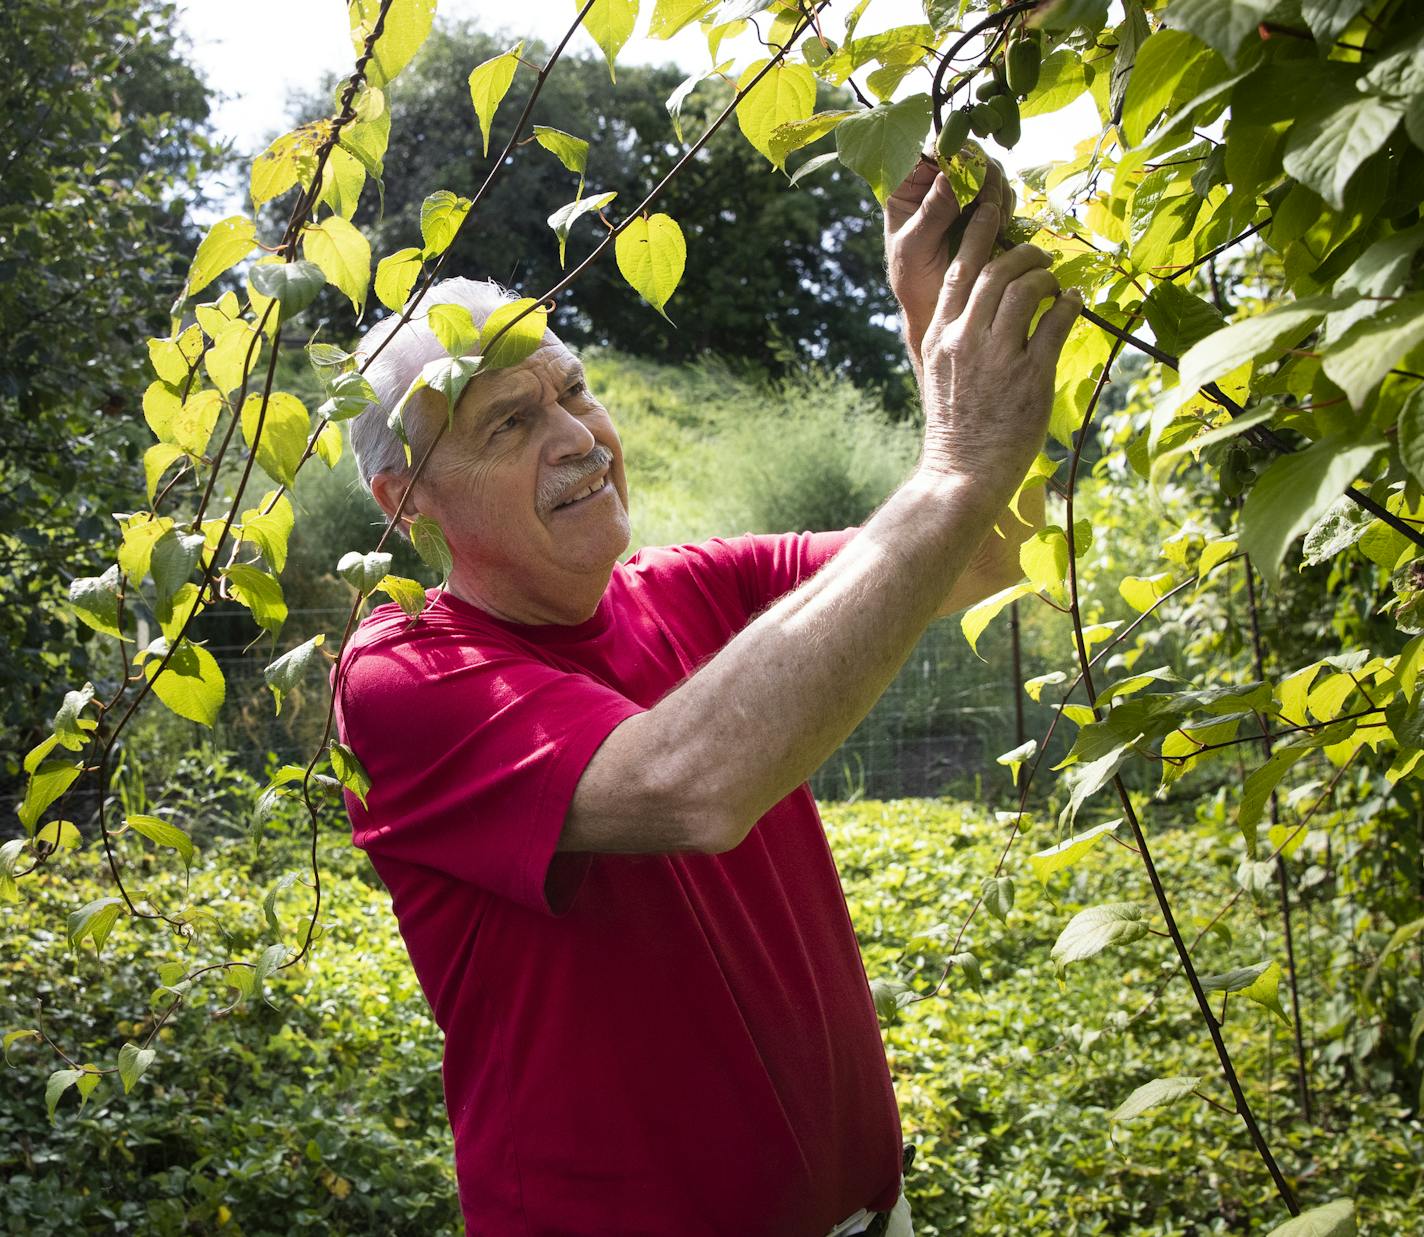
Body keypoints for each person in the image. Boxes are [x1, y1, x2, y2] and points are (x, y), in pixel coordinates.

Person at [335, 156, 1078, 1236]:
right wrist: (955, 465)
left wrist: (932, 336)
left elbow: (984, 562)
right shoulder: (403, 670)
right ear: (407, 502)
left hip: (873, 1213)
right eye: (508, 423)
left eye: (574, 387)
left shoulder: (698, 586)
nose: (579, 436)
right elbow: (689, 784)